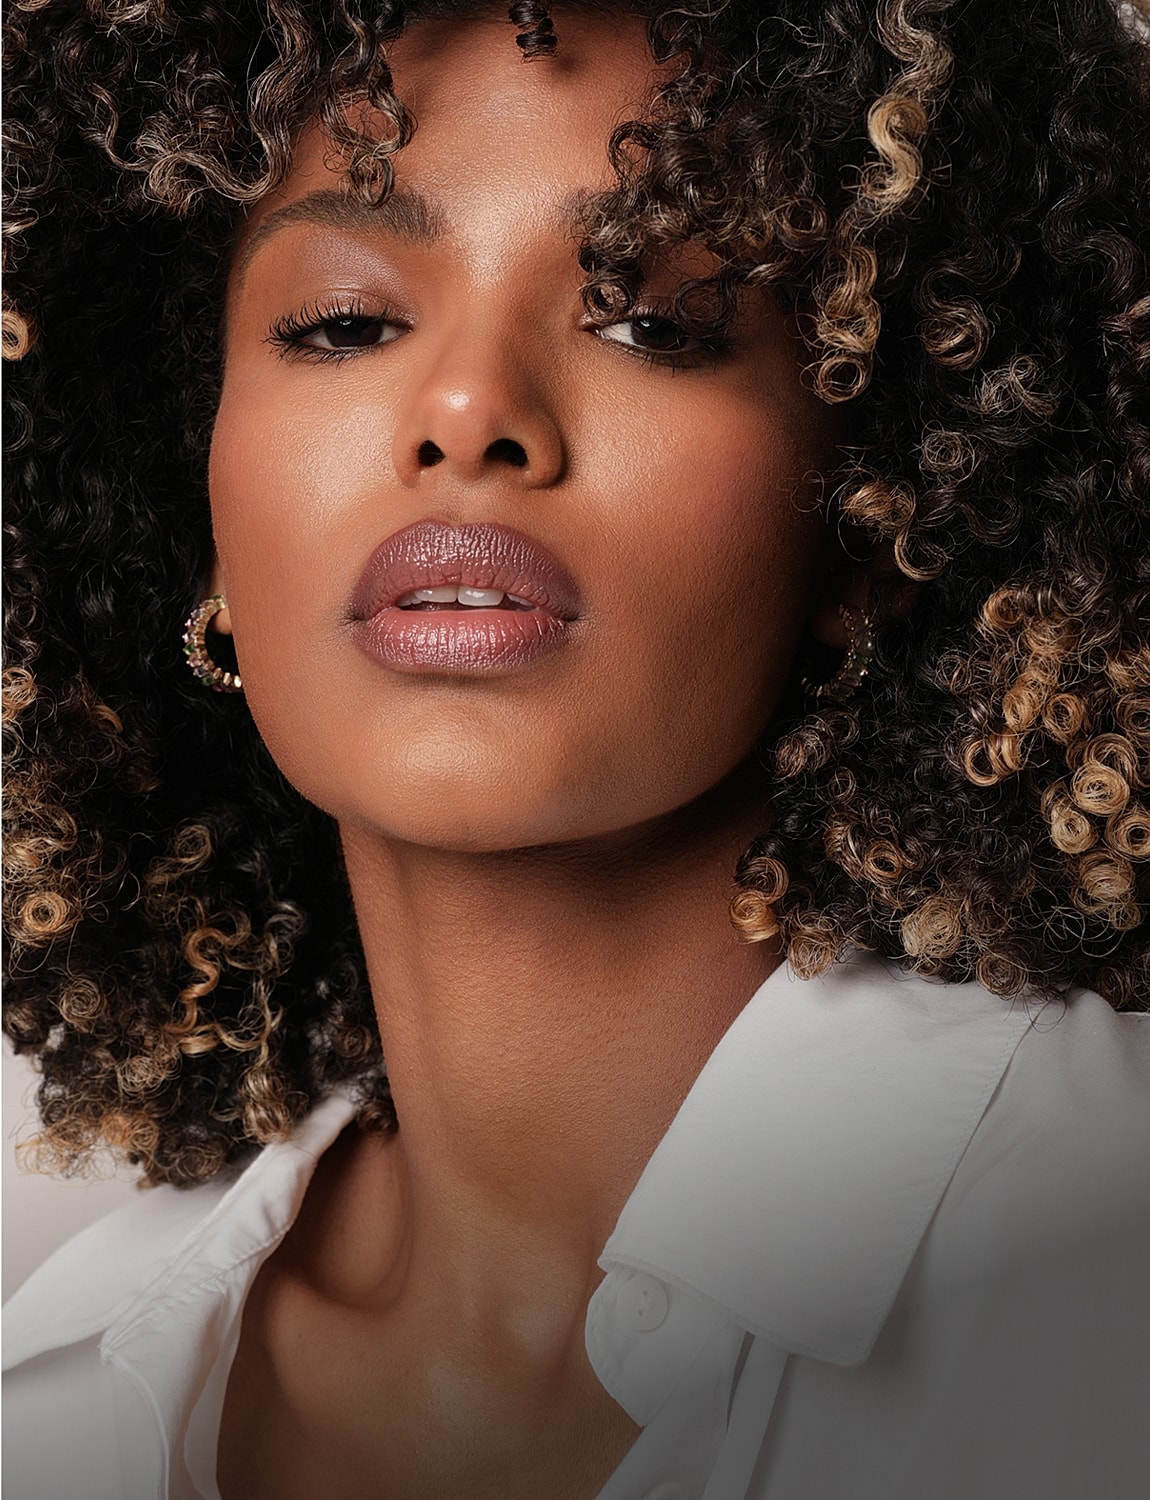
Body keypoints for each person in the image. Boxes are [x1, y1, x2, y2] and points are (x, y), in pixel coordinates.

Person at [3, 0, 1149, 1496]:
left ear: (875, 514)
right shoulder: (56, 1405)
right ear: (196, 494)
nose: (469, 412)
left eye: (651, 320)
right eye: (344, 322)